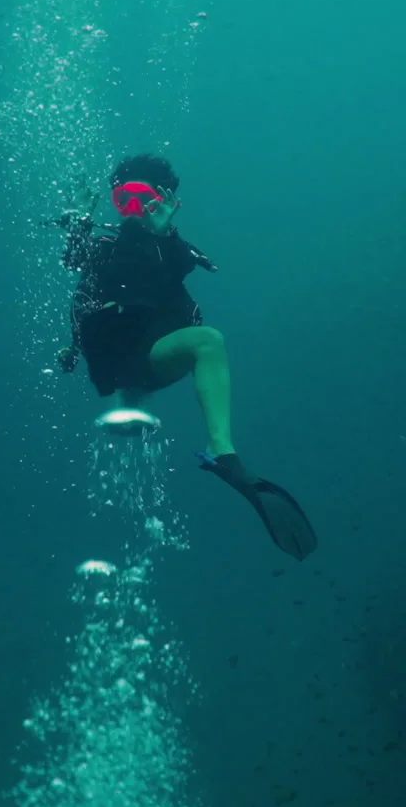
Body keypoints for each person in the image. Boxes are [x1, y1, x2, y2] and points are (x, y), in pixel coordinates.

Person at [46, 154, 317, 561]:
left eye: (145, 199)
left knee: (207, 341)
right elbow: (75, 261)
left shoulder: (173, 249)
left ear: (168, 201)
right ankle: (130, 405)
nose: (135, 210)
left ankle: (224, 452)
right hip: (113, 356)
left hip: (152, 354)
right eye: (125, 200)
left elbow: (169, 275)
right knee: (132, 393)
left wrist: (163, 236)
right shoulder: (104, 244)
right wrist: (81, 220)